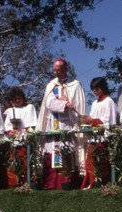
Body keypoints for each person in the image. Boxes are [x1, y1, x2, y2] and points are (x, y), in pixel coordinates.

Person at [37, 58, 86, 189]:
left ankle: (70, 182)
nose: (56, 73)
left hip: (70, 123)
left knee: (69, 150)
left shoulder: (75, 84)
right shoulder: (51, 85)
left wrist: (67, 102)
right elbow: (49, 103)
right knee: (54, 150)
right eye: (54, 70)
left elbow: (78, 104)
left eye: (58, 70)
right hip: (54, 124)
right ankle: (52, 185)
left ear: (66, 68)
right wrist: (64, 102)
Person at [80, 77, 117, 188]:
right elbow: (92, 118)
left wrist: (91, 121)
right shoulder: (95, 103)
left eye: (97, 89)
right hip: (93, 138)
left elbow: (108, 121)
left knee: (102, 163)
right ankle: (91, 183)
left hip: (103, 139)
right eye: (93, 90)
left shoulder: (108, 101)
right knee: (91, 163)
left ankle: (101, 184)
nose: (95, 92)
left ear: (102, 88)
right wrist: (85, 120)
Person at [3, 87, 38, 187]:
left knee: (26, 162)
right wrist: (12, 132)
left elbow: (31, 125)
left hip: (26, 141)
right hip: (14, 143)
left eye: (19, 98)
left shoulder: (29, 107)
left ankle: (28, 183)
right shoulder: (10, 111)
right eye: (15, 99)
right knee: (14, 162)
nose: (18, 101)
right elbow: (7, 127)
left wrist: (21, 131)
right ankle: (15, 183)